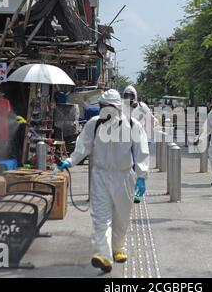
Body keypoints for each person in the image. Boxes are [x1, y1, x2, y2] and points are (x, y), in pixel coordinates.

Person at [57, 89, 150, 273]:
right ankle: (104, 255)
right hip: (100, 176)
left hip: (123, 176)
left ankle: (118, 248)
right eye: (102, 106)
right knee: (101, 217)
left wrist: (141, 176)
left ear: (117, 107)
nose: (104, 110)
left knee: (121, 217)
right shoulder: (94, 124)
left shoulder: (132, 125)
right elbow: (82, 145)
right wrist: (71, 160)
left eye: (108, 107)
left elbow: (142, 150)